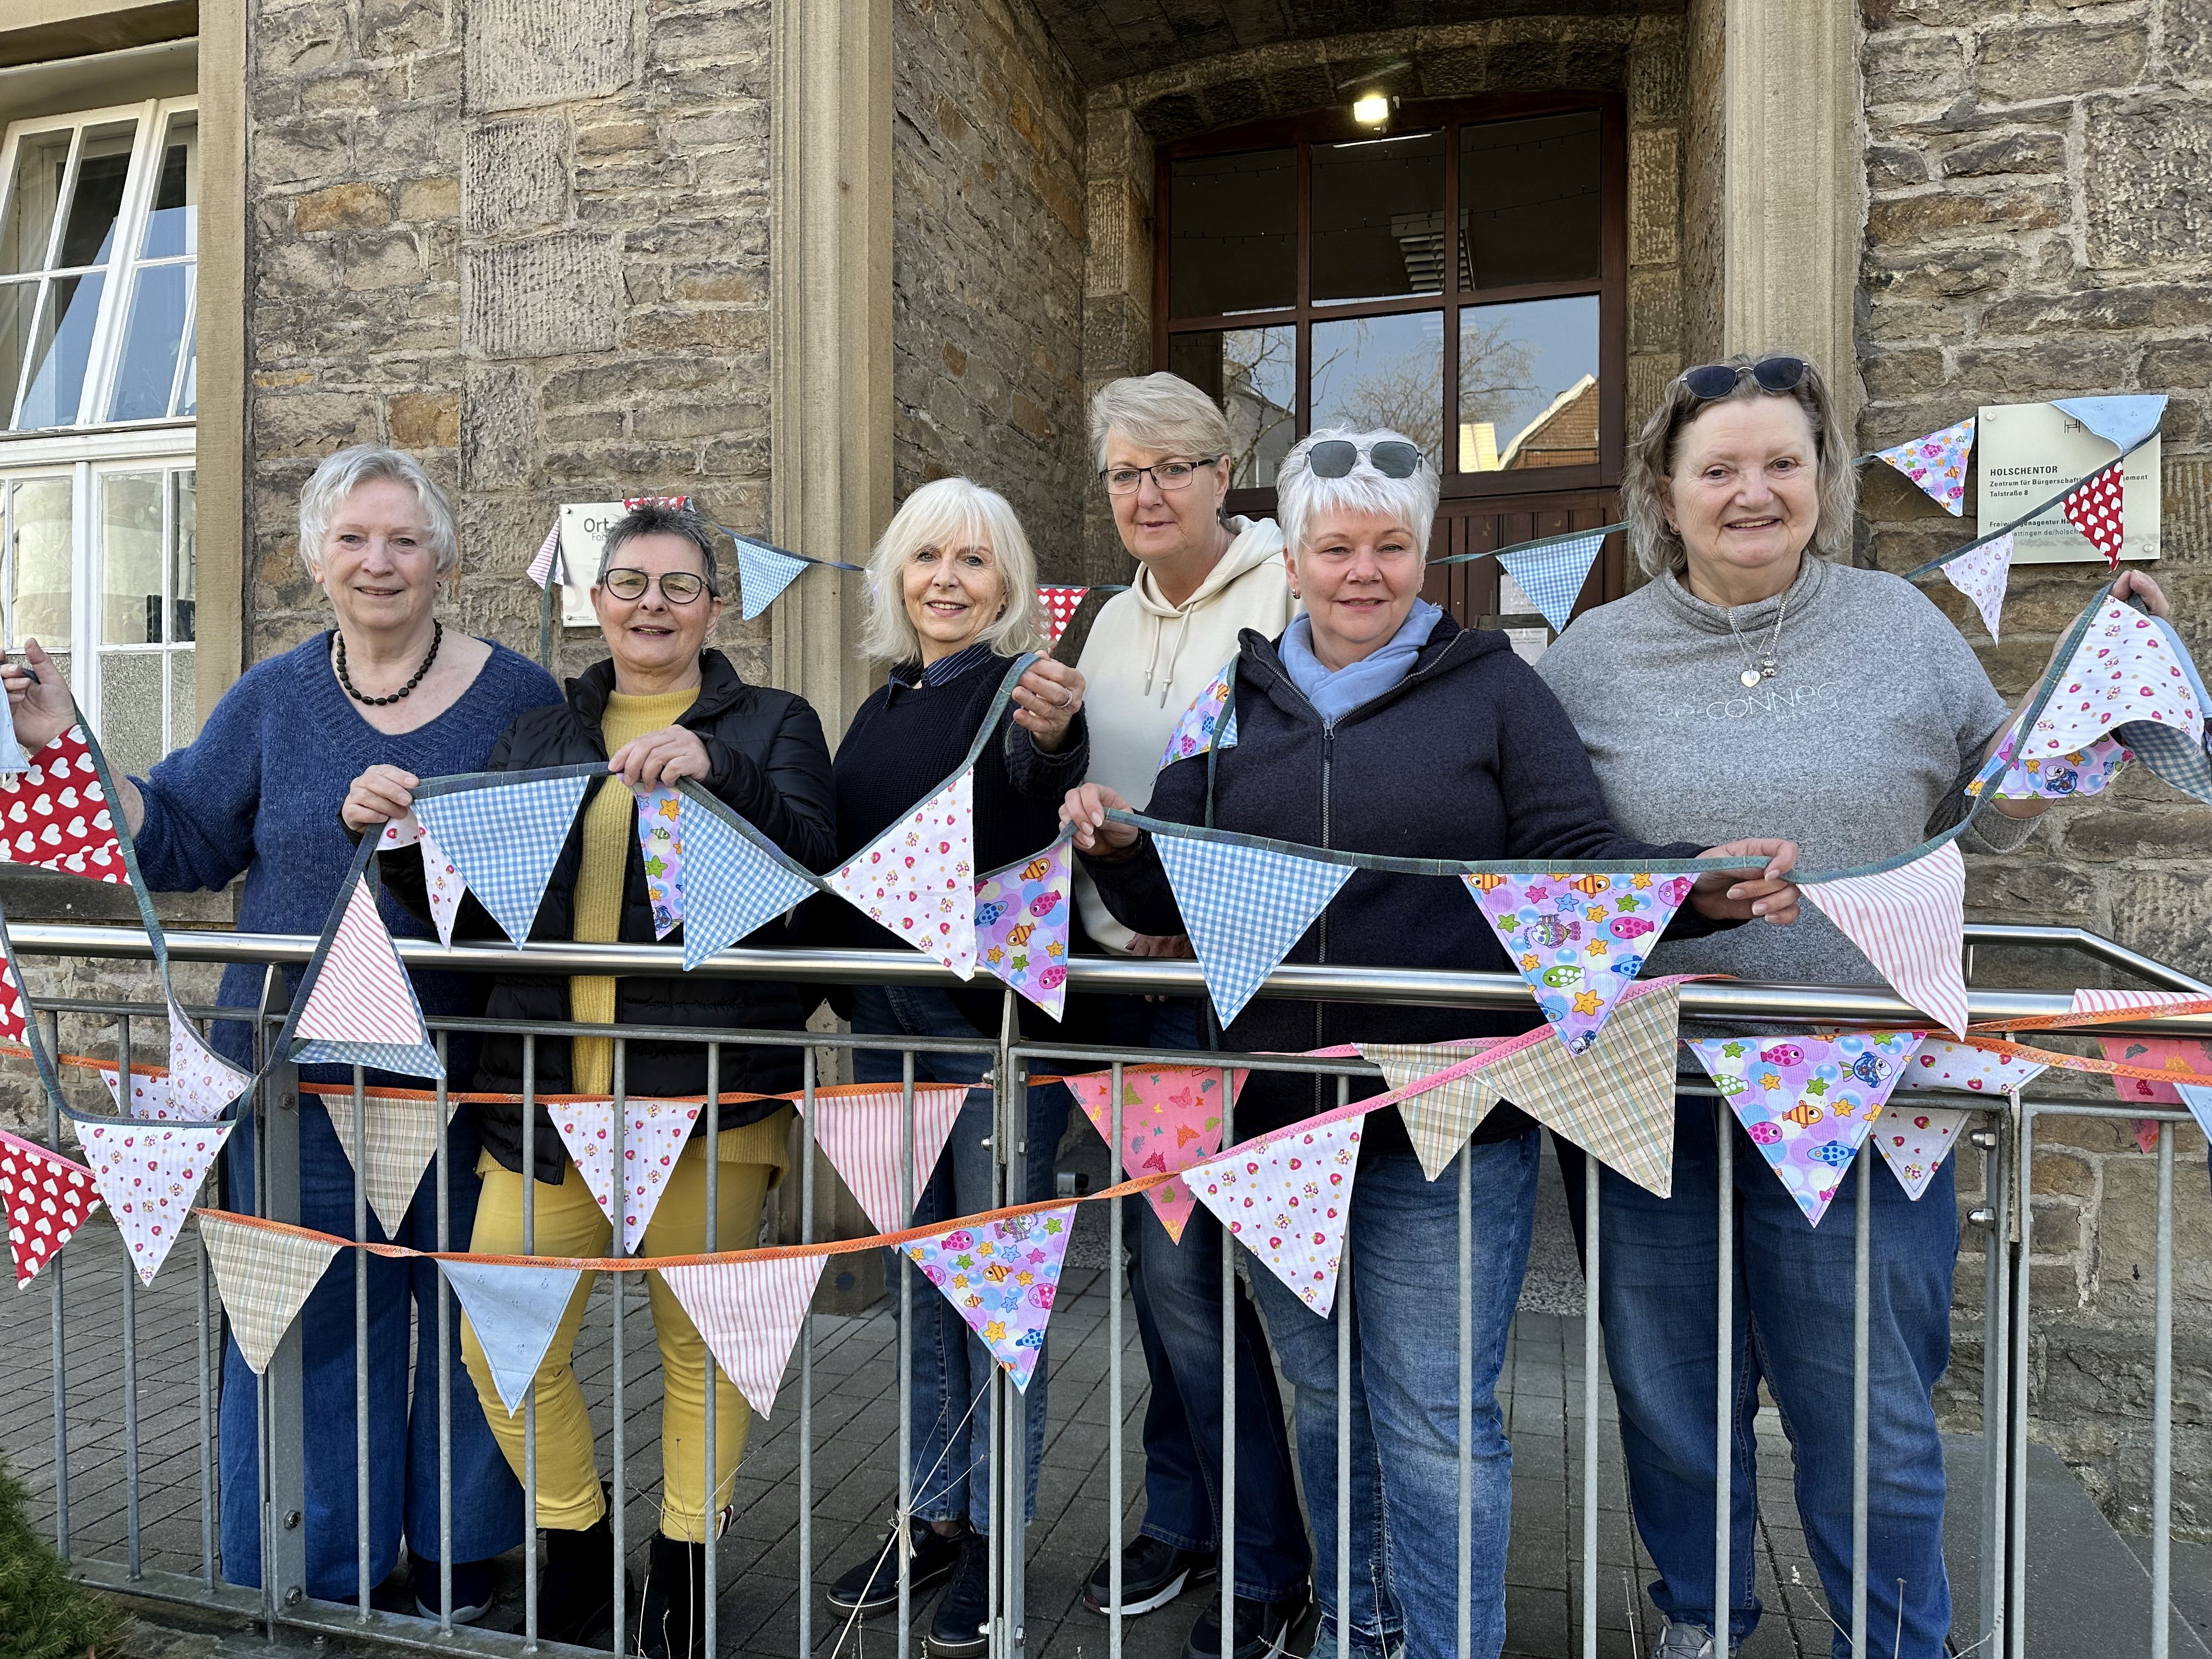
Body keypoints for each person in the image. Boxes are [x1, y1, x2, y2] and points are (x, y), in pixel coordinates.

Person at [1064, 427, 1802, 1659]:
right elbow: (1165, 900)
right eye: (1337, 547)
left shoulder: (1498, 687)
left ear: (1426, 555)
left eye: (1391, 545)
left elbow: (1573, 858)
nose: (1365, 571)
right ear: (1290, 561)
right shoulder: (1230, 699)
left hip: (1457, 1112)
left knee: (1439, 1417)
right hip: (1280, 1119)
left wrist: (1690, 889)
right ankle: (1361, 1628)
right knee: (1327, 1399)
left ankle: (1447, 1640)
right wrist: (1119, 846)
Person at [1534, 352, 2174, 1659]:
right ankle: (1702, 1618)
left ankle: (1896, 1643)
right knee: (1671, 1397)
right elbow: (1551, 870)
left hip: (1874, 1092)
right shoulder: (1592, 655)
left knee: (1869, 1408)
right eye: (1719, 468)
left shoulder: (1898, 623)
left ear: (1824, 480)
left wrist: (2095, 679)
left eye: (1782, 463)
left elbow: (1987, 820)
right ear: (1667, 488)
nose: (1753, 491)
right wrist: (1676, 897)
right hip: (1652, 1085)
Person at [0, 446, 557, 1617]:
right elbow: (186, 836)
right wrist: (68, 743)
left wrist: (429, 842)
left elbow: (547, 884)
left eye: (405, 539)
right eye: (353, 539)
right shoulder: (272, 695)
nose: (380, 561)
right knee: (305, 1323)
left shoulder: (521, 699)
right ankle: (308, 1575)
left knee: (473, 1318)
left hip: (465, 1074)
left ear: (446, 559)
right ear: (315, 560)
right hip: (290, 1078)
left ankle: (463, 1561)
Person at [345, 501, 834, 1657]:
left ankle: (684, 1575)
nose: (651, 605)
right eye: (628, 583)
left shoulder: (772, 723)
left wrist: (722, 775)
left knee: (699, 1351)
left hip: (708, 1105)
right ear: (595, 599)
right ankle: (576, 1550)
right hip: (547, 1105)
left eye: (678, 585)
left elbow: (817, 880)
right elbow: (477, 922)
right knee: (497, 1343)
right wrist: (405, 849)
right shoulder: (538, 732)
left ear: (718, 605)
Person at [819, 477, 1089, 1659]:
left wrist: (1055, 736)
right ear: (894, 573)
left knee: (997, 1302)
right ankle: (930, 1513)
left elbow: (1034, 797)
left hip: (990, 1053)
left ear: (1010, 583)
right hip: (886, 1040)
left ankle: (996, 1535)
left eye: (976, 562)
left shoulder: (1012, 693)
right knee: (924, 1291)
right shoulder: (881, 704)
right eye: (928, 556)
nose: (948, 579)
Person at [1073, 373, 1311, 1659]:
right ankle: (1188, 1516)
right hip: (1126, 989)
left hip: (1238, 994)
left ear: (1226, 474)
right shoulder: (1105, 620)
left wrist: (1204, 907)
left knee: (1217, 1288)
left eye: (1171, 467)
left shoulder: (1286, 591)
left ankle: (1272, 1560)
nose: (1146, 492)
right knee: (1164, 1285)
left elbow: (1300, 783)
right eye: (1124, 473)